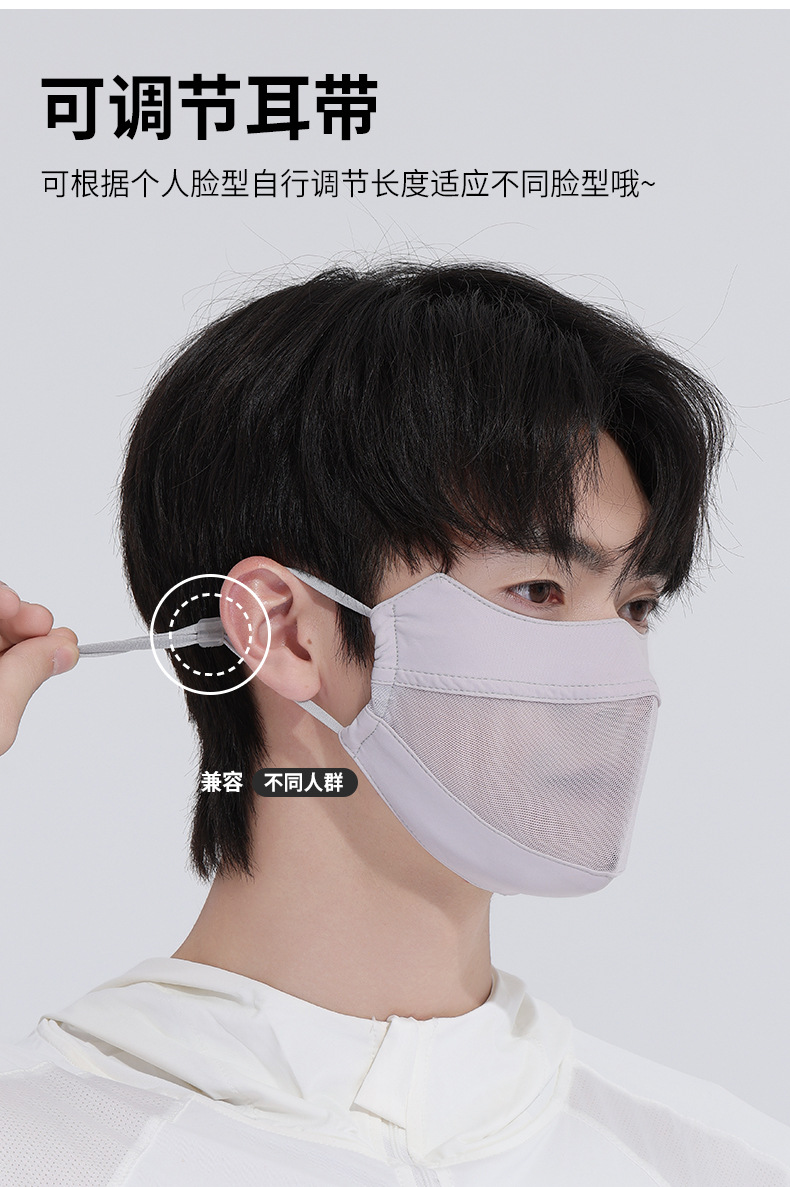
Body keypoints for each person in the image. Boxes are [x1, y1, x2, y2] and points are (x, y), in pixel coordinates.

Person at [1, 262, 788, 1184]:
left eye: (637, 604)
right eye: (538, 590)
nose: (614, 673)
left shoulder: (719, 1158)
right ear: (284, 631)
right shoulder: (38, 1148)